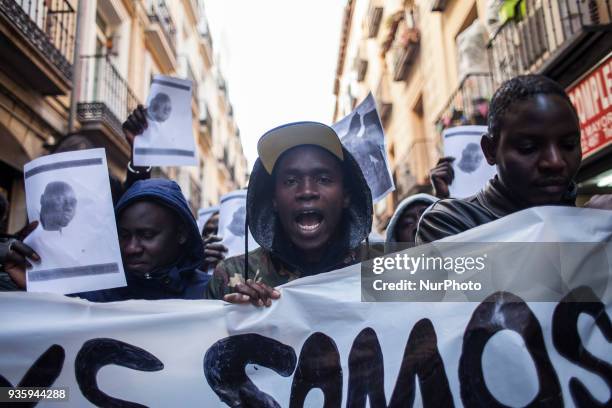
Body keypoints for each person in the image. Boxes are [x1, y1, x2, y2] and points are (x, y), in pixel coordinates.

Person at [416, 74, 608, 244]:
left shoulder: (597, 219)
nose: (555, 161)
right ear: (490, 151)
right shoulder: (447, 221)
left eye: (569, 145)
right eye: (529, 148)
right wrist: (586, 229)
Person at [206, 121, 373, 306]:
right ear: (274, 200)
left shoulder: (386, 269)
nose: (307, 191)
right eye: (291, 181)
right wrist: (241, 323)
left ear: (346, 197)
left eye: (323, 179)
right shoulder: (231, 277)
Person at [2, 179, 209, 301]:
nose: (131, 248)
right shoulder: (94, 295)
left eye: (147, 235)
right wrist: (35, 289)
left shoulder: (213, 296)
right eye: (123, 235)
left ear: (181, 234)